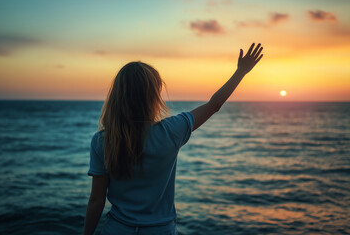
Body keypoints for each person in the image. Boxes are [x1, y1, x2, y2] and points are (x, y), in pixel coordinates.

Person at [83, 43, 263, 235]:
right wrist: (240, 72)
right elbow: (214, 105)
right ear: (153, 96)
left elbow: (97, 200)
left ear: (118, 96)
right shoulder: (171, 131)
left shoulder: (102, 141)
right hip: (160, 230)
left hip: (118, 229)